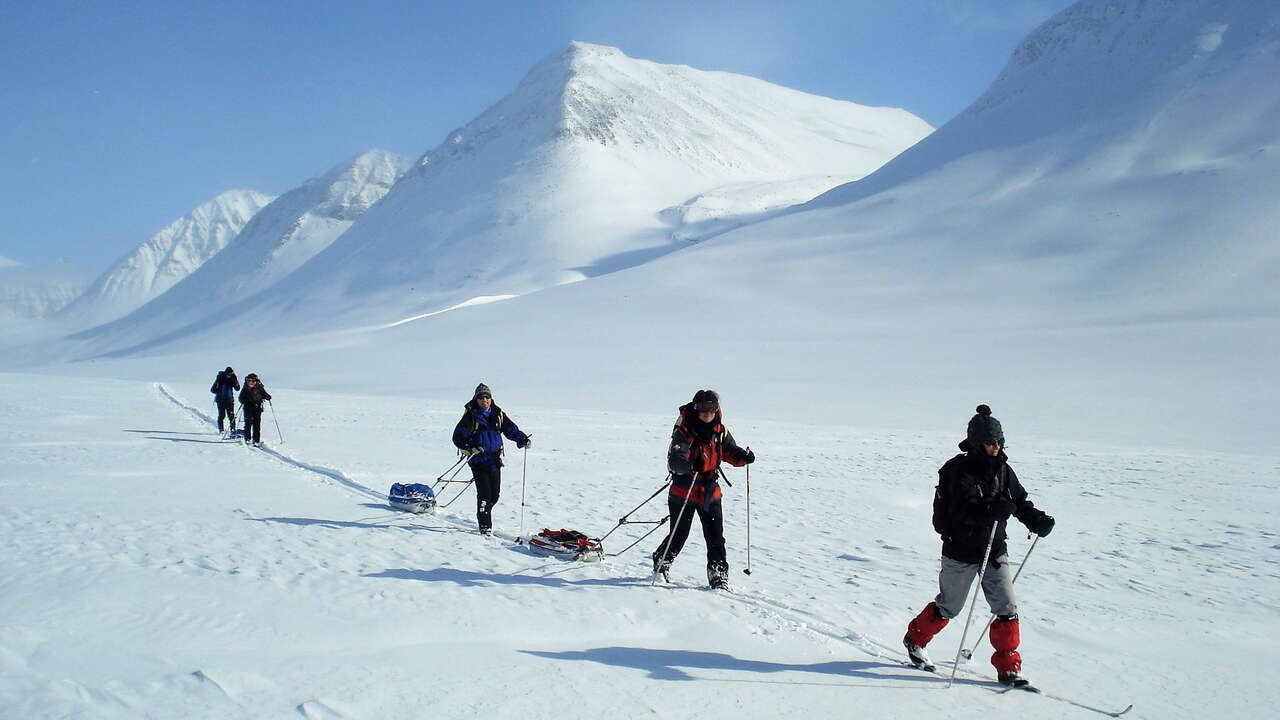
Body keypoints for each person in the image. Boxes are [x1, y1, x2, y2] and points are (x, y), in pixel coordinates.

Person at [903, 404, 1055, 687]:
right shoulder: (957, 472)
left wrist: (1037, 520)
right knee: (949, 607)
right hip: (961, 552)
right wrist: (989, 512)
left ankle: (1009, 667)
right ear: (976, 443)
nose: (996, 447)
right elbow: (957, 514)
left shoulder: (1004, 470)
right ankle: (915, 640)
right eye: (990, 442)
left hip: (995, 551)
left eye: (999, 441)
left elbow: (1018, 502)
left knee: (1006, 608)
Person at [651, 389, 755, 589]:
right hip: (684, 491)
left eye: (712, 409)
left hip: (709, 492)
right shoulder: (684, 431)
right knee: (679, 534)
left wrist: (743, 457)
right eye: (703, 409)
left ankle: (718, 574)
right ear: (696, 409)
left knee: (715, 536)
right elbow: (674, 460)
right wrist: (691, 466)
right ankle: (661, 560)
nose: (708, 413)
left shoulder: (720, 431)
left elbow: (729, 451)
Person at [451, 383, 530, 536]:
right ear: (476, 399)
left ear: (491, 398)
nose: (484, 400)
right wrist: (470, 446)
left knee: (495, 495)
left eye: (487, 397)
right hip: (478, 461)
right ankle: (485, 525)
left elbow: (510, 429)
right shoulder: (470, 416)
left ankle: (484, 512)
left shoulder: (497, 413)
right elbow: (458, 437)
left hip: (494, 461)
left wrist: (522, 439)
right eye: (481, 397)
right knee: (485, 495)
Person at [237, 373, 272, 447]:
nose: (251, 382)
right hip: (248, 408)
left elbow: (264, 393)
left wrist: (268, 397)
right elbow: (240, 398)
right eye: (249, 380)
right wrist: (246, 402)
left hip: (257, 408)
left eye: (253, 381)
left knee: (257, 425)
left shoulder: (259, 386)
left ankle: (256, 440)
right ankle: (247, 439)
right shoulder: (245, 387)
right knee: (248, 424)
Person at [210, 366, 240, 435]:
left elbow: (237, 388)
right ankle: (221, 430)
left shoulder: (233, 378)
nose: (229, 375)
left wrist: (235, 381)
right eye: (228, 374)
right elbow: (212, 390)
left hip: (229, 400)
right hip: (220, 400)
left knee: (231, 416)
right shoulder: (220, 378)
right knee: (222, 415)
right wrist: (217, 386)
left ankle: (233, 430)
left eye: (230, 374)